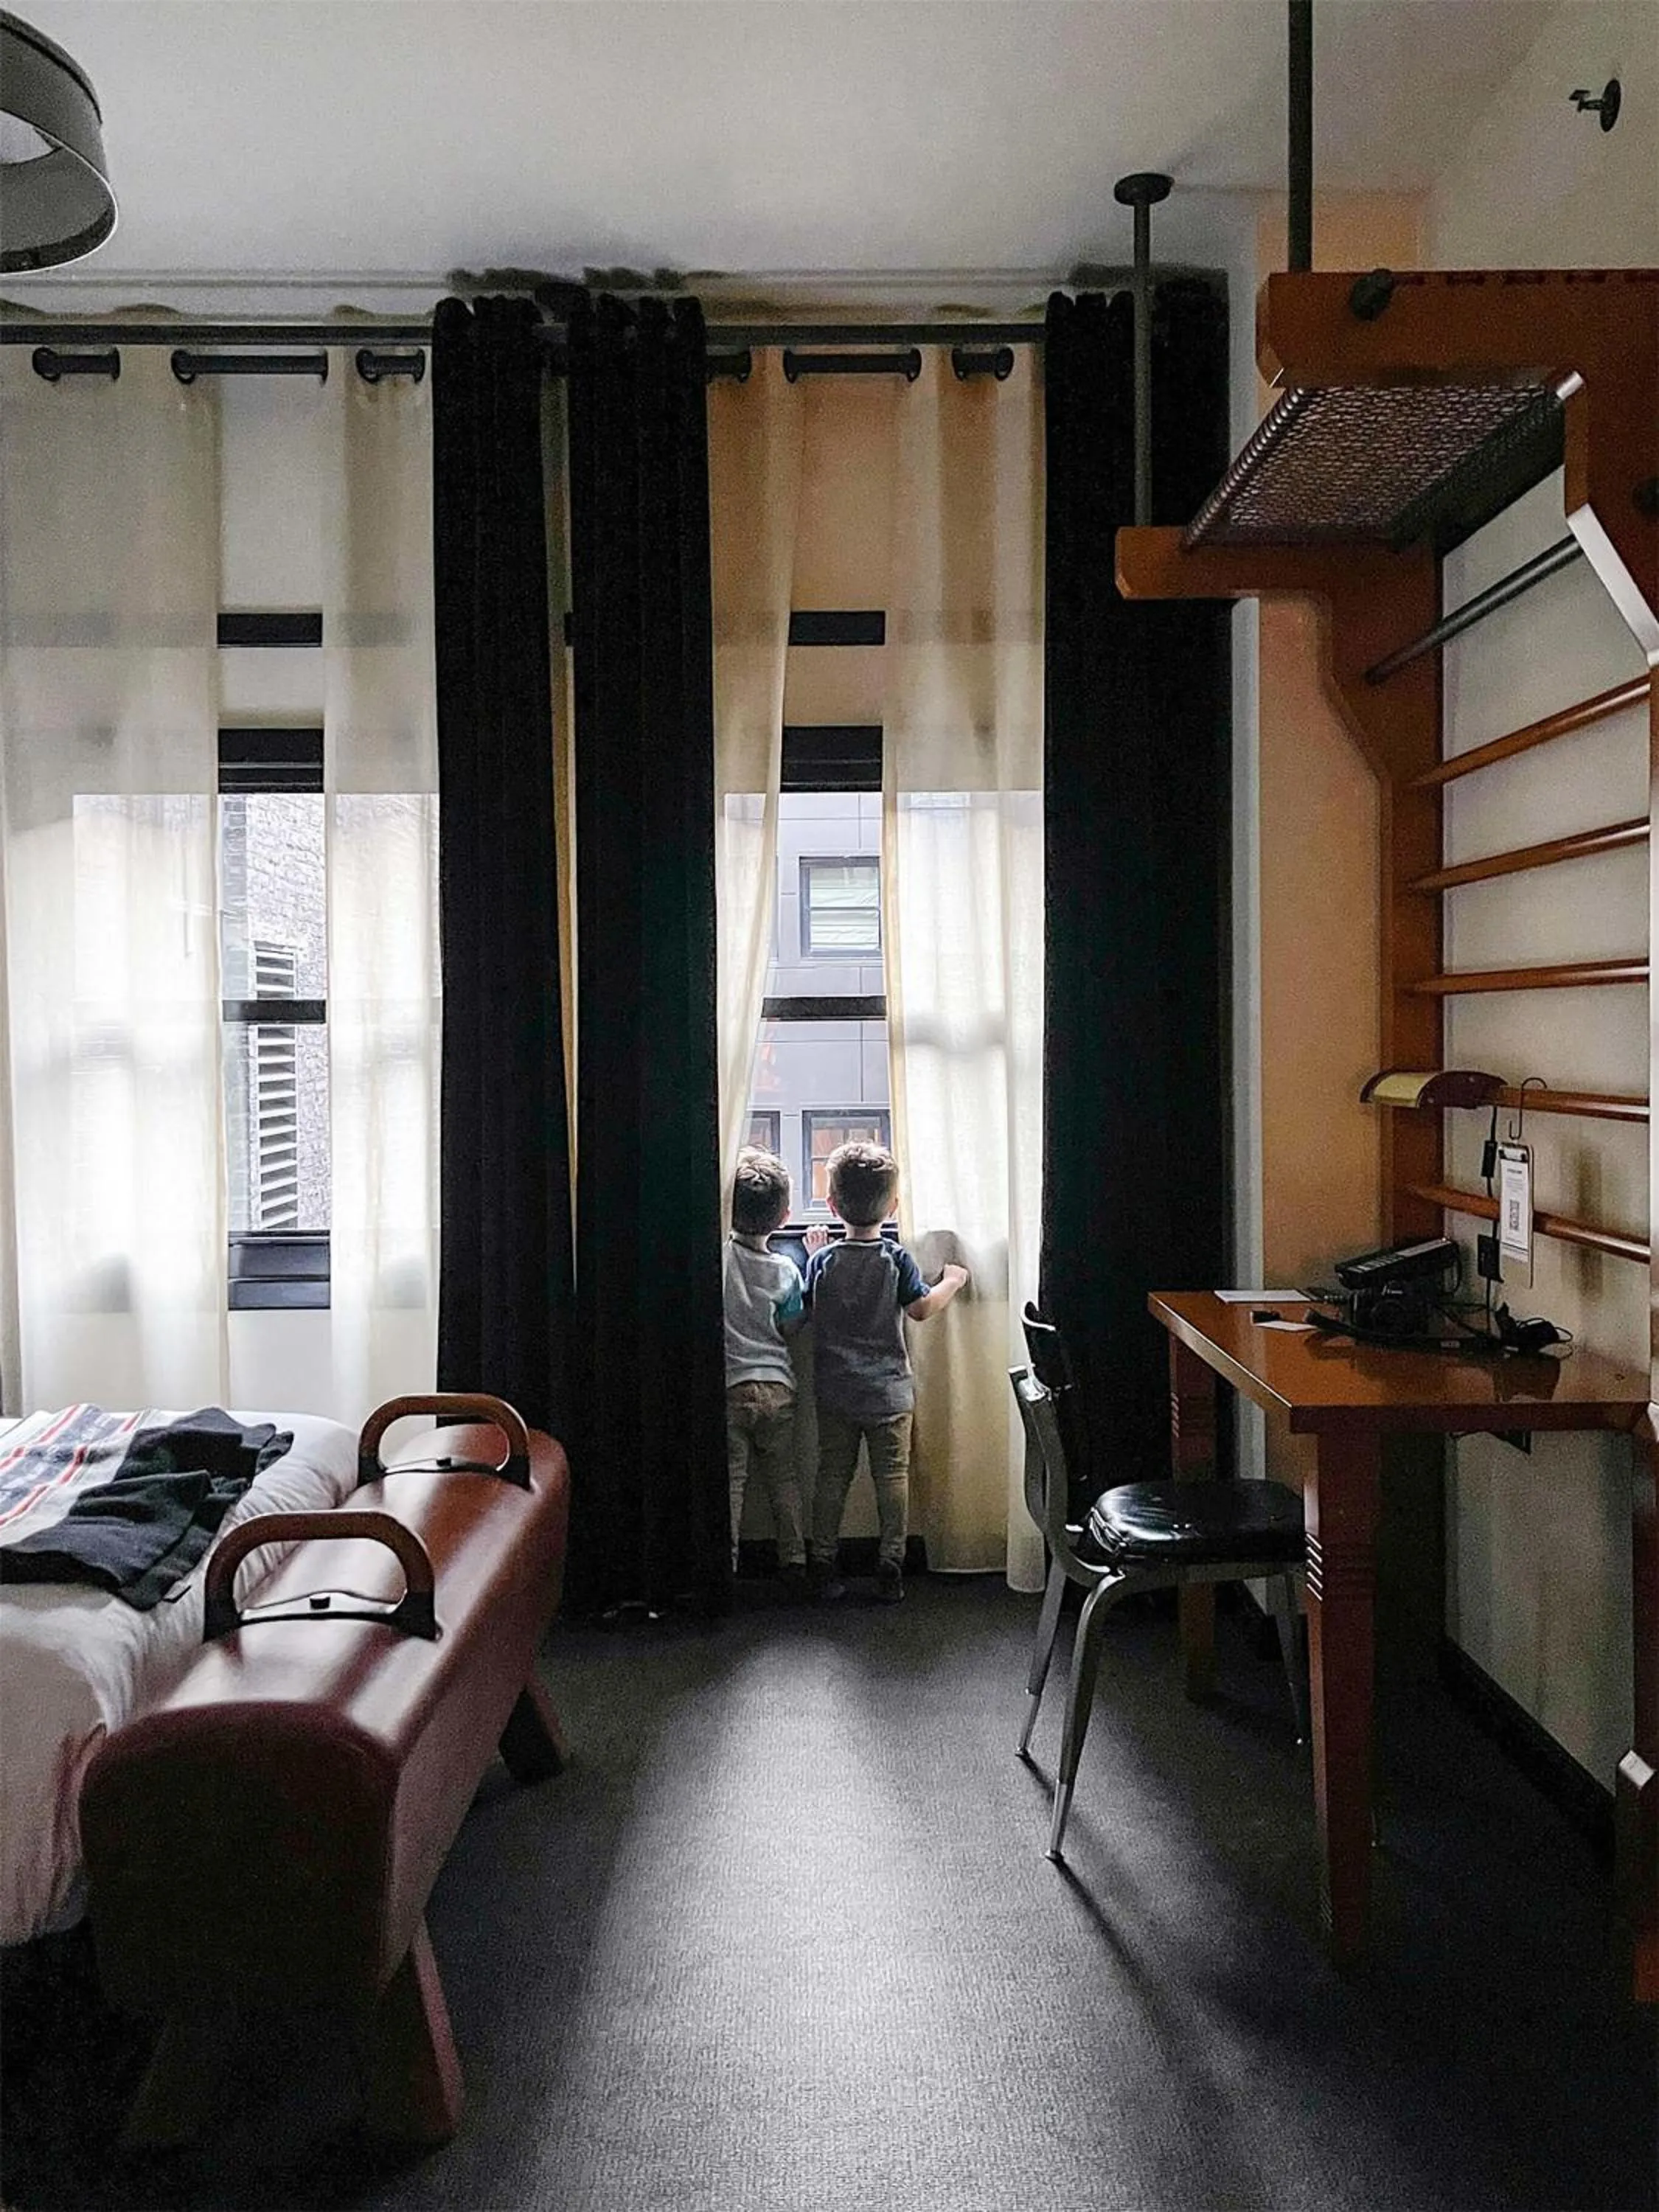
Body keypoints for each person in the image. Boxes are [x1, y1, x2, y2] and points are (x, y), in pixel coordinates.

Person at [803, 1140, 968, 1605]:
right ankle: (891, 1563)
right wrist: (951, 1282)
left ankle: (823, 1563)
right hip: (890, 1395)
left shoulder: (822, 1261)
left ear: (832, 1205)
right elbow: (919, 1309)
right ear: (894, 1206)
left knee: (832, 1475)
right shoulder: (895, 1259)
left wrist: (815, 1248)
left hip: (836, 1392)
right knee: (892, 1477)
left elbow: (810, 1308)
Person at [723, 1146, 808, 1593]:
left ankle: (727, 1564)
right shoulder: (787, 1271)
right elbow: (793, 1326)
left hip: (730, 1388)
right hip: (777, 1386)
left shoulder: (717, 1262)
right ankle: (794, 1559)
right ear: (784, 1216)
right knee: (785, 1478)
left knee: (731, 1485)